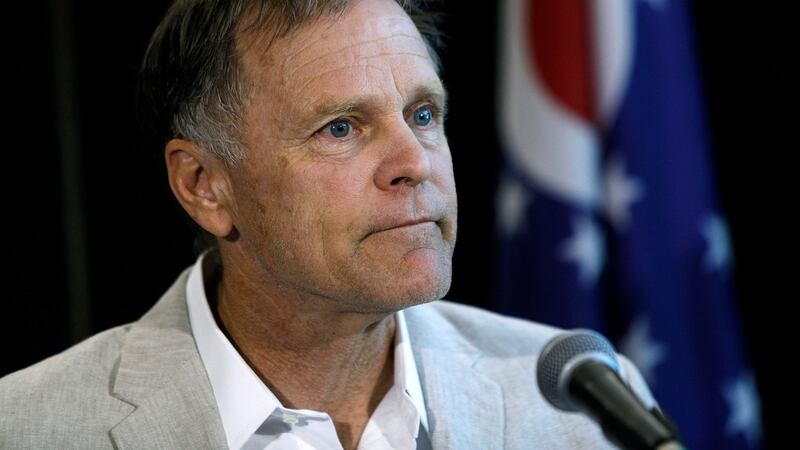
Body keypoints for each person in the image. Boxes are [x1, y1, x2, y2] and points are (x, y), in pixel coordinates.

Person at [0, 0, 656, 448]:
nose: (413, 163)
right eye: (341, 127)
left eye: (423, 114)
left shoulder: (582, 405)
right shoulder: (28, 427)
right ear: (206, 187)